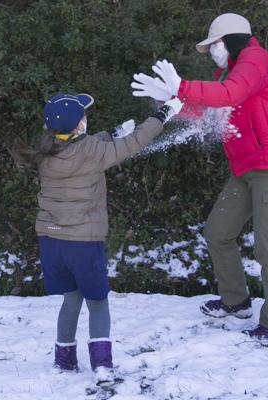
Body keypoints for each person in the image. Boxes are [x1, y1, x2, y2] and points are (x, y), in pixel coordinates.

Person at [131, 13, 268, 340]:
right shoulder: (232, 71)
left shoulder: (256, 60)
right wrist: (169, 97)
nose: (212, 51)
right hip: (246, 170)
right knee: (217, 233)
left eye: (215, 44)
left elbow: (229, 94)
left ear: (232, 38)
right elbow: (206, 114)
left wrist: (182, 85)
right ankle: (236, 302)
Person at [9, 93, 182, 381]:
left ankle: (64, 361)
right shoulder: (92, 151)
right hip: (83, 244)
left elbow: (81, 145)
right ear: (78, 125)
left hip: (51, 244)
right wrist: (161, 116)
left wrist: (111, 132)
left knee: (71, 298)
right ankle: (102, 366)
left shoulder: (44, 151)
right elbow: (133, 143)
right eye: (84, 117)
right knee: (98, 302)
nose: (87, 120)